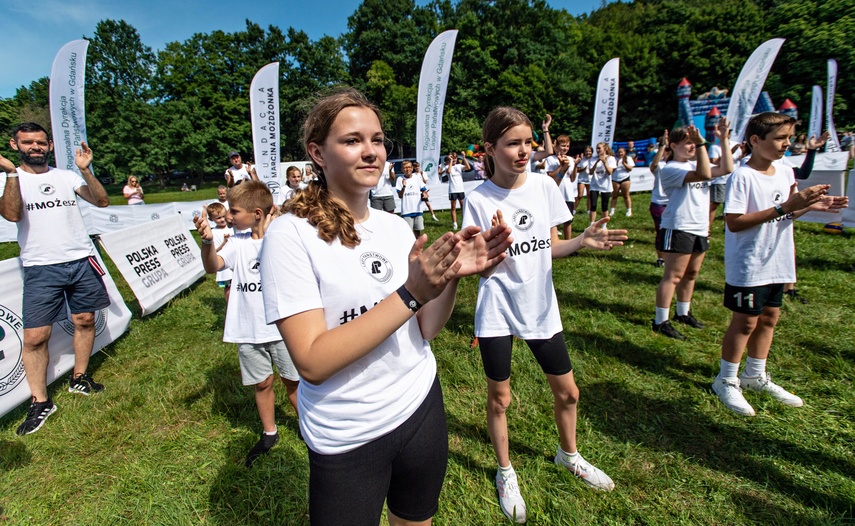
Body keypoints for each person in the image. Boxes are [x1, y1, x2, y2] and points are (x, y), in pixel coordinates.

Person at [258, 88, 512, 526]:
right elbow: (313, 361)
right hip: (349, 432)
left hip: (420, 406)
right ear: (317, 152)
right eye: (353, 140)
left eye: (377, 140)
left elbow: (426, 328)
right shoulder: (288, 235)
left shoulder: (394, 228)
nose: (372, 151)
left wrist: (448, 276)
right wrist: (410, 292)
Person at [463, 107, 627, 523]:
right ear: (490, 148)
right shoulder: (478, 198)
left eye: (528, 143)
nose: (523, 152)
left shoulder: (544, 185)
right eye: (513, 143)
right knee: (500, 399)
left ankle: (568, 455)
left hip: (540, 307)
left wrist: (582, 243)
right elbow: (476, 263)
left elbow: (549, 245)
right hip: (497, 309)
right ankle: (505, 471)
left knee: (568, 392)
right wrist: (491, 249)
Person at [712, 112, 848, 416]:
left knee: (770, 317)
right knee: (745, 321)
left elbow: (785, 213)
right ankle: (726, 379)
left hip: (778, 259)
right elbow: (734, 222)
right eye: (779, 138)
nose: (786, 144)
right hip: (749, 262)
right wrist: (787, 206)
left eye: (789, 138)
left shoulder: (785, 172)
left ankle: (754, 374)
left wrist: (811, 205)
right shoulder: (742, 176)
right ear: (755, 141)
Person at [0, 122, 110, 436]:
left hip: (79, 259)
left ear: (49, 145)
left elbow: (101, 201)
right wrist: (10, 174)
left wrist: (86, 170)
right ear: (14, 145)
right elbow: (11, 215)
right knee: (35, 337)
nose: (35, 147)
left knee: (85, 319)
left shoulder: (66, 176)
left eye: (40, 143)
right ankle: (40, 401)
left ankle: (79, 377)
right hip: (40, 267)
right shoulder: (10, 179)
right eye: (27, 143)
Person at [195, 180, 300, 467]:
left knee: (294, 381)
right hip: (248, 330)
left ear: (256, 213)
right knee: (262, 383)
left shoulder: (283, 239)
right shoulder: (236, 243)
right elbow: (212, 266)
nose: (228, 216)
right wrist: (207, 242)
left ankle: (309, 427)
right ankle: (269, 432)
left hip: (282, 328)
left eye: (234, 211)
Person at [652, 119, 733, 340]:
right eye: (686, 143)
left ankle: (683, 313)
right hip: (678, 226)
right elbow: (705, 175)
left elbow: (726, 168)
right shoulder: (672, 168)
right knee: (674, 276)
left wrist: (723, 139)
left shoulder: (693, 164)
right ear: (673, 146)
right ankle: (660, 320)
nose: (691, 146)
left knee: (691, 274)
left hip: (699, 227)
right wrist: (701, 145)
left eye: (693, 143)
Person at [541, 134, 577, 239]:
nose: (565, 148)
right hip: (556, 193)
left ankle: (568, 242)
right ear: (556, 146)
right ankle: (554, 242)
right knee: (554, 221)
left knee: (568, 220)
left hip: (568, 194)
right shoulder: (550, 159)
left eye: (567, 146)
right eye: (563, 145)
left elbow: (572, 178)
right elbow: (551, 175)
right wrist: (561, 166)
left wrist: (575, 166)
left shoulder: (570, 159)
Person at [648, 131, 671, 268]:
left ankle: (672, 257)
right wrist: (663, 146)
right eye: (666, 150)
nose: (668, 153)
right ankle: (661, 258)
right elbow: (653, 166)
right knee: (661, 232)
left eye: (670, 150)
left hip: (674, 203)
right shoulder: (660, 165)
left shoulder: (680, 165)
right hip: (659, 203)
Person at [206, 202, 233, 306]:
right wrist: (224, 242)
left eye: (223, 216)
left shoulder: (232, 227)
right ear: (211, 219)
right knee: (227, 287)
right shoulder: (213, 233)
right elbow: (214, 251)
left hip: (235, 262)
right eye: (218, 218)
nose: (222, 220)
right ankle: (229, 306)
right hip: (223, 266)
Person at [438, 150, 471, 230]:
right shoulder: (447, 166)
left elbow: (468, 167)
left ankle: (465, 222)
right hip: (452, 190)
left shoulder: (459, 166)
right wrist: (450, 162)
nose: (455, 160)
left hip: (460, 189)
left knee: (463, 206)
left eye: (455, 158)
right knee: (453, 207)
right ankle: (454, 223)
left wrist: (464, 158)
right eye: (453, 158)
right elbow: (448, 171)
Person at [587, 142, 616, 224]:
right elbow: (590, 172)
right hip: (594, 185)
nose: (598, 150)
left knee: (604, 205)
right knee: (593, 205)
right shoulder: (593, 159)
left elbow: (610, 172)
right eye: (597, 148)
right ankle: (592, 224)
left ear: (605, 148)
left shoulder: (611, 159)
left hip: (606, 185)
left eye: (599, 148)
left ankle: (604, 225)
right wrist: (597, 162)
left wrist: (604, 161)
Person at [396, 160, 427, 237]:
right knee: (408, 233)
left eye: (409, 167)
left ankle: (418, 248)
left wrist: (425, 194)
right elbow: (400, 196)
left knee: (417, 232)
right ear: (402, 169)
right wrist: (403, 187)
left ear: (412, 168)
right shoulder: (400, 179)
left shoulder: (416, 178)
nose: (407, 169)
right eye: (405, 168)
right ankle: (409, 248)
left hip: (417, 210)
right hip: (407, 211)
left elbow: (424, 190)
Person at [609, 146, 635, 217]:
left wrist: (624, 163)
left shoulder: (628, 158)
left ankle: (629, 211)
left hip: (625, 179)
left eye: (621, 152)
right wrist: (615, 165)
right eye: (619, 152)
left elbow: (630, 169)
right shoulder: (614, 159)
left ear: (624, 152)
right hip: (615, 179)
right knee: (614, 196)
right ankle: (612, 211)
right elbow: (611, 170)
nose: (620, 153)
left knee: (626, 195)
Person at [575, 145, 593, 214]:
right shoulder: (582, 159)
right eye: (586, 151)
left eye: (589, 151)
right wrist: (582, 169)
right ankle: (574, 209)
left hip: (590, 179)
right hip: (582, 179)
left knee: (589, 195)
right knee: (580, 195)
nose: (588, 152)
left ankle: (588, 210)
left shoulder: (594, 159)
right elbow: (577, 169)